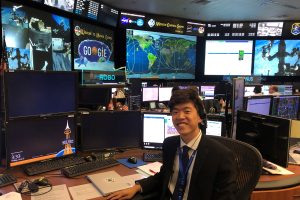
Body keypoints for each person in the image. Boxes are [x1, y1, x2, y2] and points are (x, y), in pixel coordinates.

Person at [107, 88, 237, 200]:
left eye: (187, 111)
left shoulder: (221, 156)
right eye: (175, 112)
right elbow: (164, 176)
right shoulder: (170, 144)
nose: (180, 116)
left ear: (200, 117)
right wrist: (137, 187)